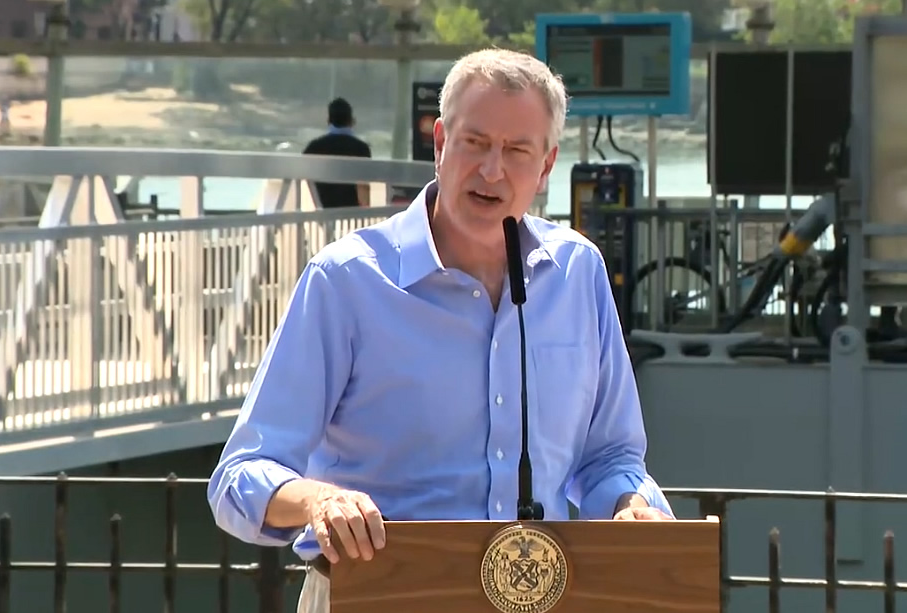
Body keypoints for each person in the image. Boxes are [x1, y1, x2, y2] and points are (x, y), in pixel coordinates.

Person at [207, 48, 674, 612]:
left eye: (516, 151)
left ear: (546, 167)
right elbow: (239, 477)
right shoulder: (346, 280)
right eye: (475, 143)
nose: (492, 170)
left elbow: (609, 458)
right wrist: (320, 501)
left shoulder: (579, 272)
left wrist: (631, 505)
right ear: (439, 144)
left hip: (535, 597)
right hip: (374, 596)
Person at [302, 97, 371, 208]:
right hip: (352, 215)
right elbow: (362, 188)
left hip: (324, 212)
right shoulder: (361, 148)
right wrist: (366, 213)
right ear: (352, 121)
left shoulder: (313, 148)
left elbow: (308, 183)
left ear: (329, 121)